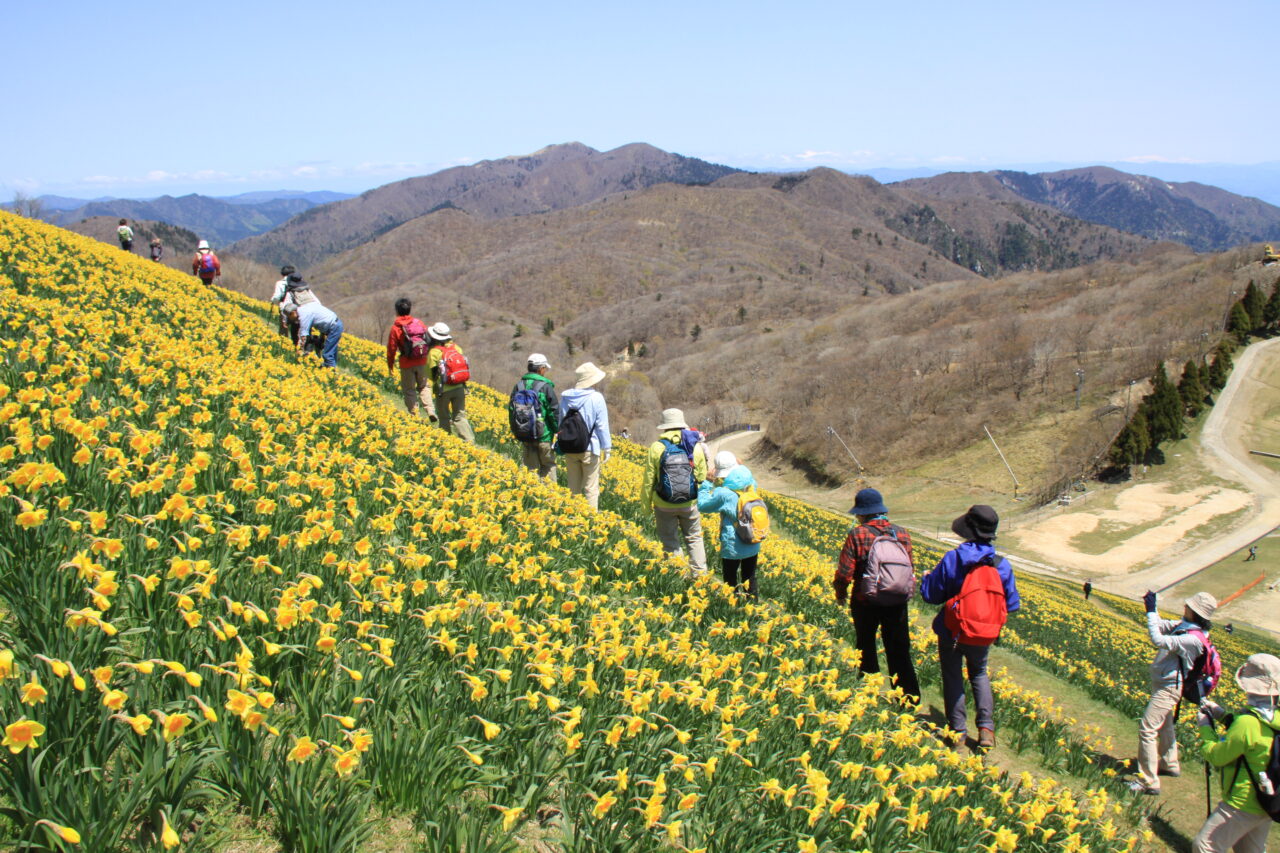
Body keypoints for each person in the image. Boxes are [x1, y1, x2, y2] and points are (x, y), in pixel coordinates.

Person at [921, 504, 1021, 749]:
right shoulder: (1001, 565)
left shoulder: (955, 558)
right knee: (979, 673)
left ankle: (958, 732)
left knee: (953, 675)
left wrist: (926, 579)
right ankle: (986, 729)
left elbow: (932, 595)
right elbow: (1012, 604)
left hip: (952, 630)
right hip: (984, 634)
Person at [833, 488, 921, 704]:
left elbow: (845, 572)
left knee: (866, 644)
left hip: (865, 600)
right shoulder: (901, 533)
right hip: (896, 601)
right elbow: (909, 568)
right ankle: (908, 699)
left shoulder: (858, 533)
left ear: (862, 513)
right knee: (898, 648)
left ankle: (867, 692)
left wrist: (840, 593)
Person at [1128, 590, 1218, 795]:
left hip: (1169, 688)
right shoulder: (1186, 627)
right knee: (1165, 725)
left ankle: (1148, 781)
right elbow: (1159, 625)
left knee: (1147, 728)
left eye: (1188, 606)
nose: (1184, 607)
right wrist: (1152, 609)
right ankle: (1170, 763)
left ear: (1194, 612)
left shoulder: (1193, 639)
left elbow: (1158, 639)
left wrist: (1151, 610)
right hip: (1166, 684)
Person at [1193, 654, 1280, 853]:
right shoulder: (1274, 718)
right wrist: (1222, 715)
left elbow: (1216, 756)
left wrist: (1205, 727)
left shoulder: (1247, 722)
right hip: (1268, 798)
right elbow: (1257, 741)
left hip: (1243, 802)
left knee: (1205, 846)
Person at [641, 408, 708, 576]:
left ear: (664, 427)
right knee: (694, 538)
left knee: (670, 542)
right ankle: (700, 576)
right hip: (689, 503)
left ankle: (678, 575)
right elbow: (701, 475)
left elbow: (649, 479)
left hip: (663, 503)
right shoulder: (694, 446)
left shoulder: (657, 447)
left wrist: (646, 507)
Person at [697, 450, 762, 597]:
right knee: (750, 578)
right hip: (753, 540)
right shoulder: (751, 486)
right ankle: (751, 610)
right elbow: (749, 478)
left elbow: (702, 505)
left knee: (730, 580)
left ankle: (731, 605)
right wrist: (740, 467)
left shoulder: (723, 493)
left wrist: (707, 483)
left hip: (733, 545)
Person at [557, 362, 611, 509]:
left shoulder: (565, 397)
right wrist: (607, 447)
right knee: (591, 488)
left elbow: (561, 421)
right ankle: (590, 523)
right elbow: (602, 425)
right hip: (590, 447)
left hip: (570, 446)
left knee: (573, 488)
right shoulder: (596, 398)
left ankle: (572, 517)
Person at [385, 298, 437, 421]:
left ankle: (415, 416)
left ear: (397, 311)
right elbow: (428, 340)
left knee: (409, 389)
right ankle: (430, 410)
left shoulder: (396, 328)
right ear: (410, 309)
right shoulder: (419, 323)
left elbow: (391, 348)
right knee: (424, 387)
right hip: (422, 361)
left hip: (406, 363)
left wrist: (390, 365)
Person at [509, 353, 559, 481]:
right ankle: (550, 497)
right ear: (540, 369)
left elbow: (511, 410)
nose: (545, 371)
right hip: (544, 435)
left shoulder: (519, 386)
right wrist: (558, 429)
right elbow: (553, 411)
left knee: (530, 468)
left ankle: (532, 492)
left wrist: (516, 430)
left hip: (525, 433)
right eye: (545, 369)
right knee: (548, 466)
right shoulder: (545, 387)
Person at [427, 323, 476, 443]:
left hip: (443, 389)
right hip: (459, 387)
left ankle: (446, 440)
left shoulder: (434, 352)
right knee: (459, 416)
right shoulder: (457, 348)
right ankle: (469, 441)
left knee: (444, 416)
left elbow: (429, 373)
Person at [283, 298, 343, 368]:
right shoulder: (304, 309)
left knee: (328, 354)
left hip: (334, 327)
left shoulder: (303, 315)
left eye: (289, 316)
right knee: (331, 352)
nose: (290, 319)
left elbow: (304, 336)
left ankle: (331, 372)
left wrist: (300, 351)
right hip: (334, 324)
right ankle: (331, 370)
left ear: (293, 312)